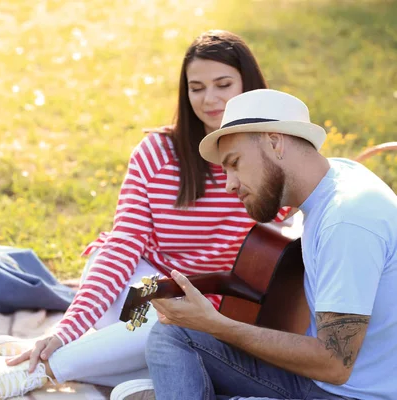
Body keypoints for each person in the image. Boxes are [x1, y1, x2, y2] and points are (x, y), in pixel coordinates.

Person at [0, 31, 289, 400]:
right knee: (141, 313)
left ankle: (39, 367)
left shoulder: (270, 155)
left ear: (248, 85)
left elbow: (304, 204)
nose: (210, 99)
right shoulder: (156, 153)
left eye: (223, 84)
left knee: (164, 324)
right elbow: (123, 245)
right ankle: (89, 356)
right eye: (196, 87)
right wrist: (67, 328)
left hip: (205, 298)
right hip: (140, 280)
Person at [143, 89, 397, 400]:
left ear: (274, 142)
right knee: (174, 334)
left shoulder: (347, 217)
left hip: (350, 394)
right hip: (316, 383)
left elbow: (335, 363)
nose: (229, 184)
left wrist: (216, 324)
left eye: (234, 163)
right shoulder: (338, 176)